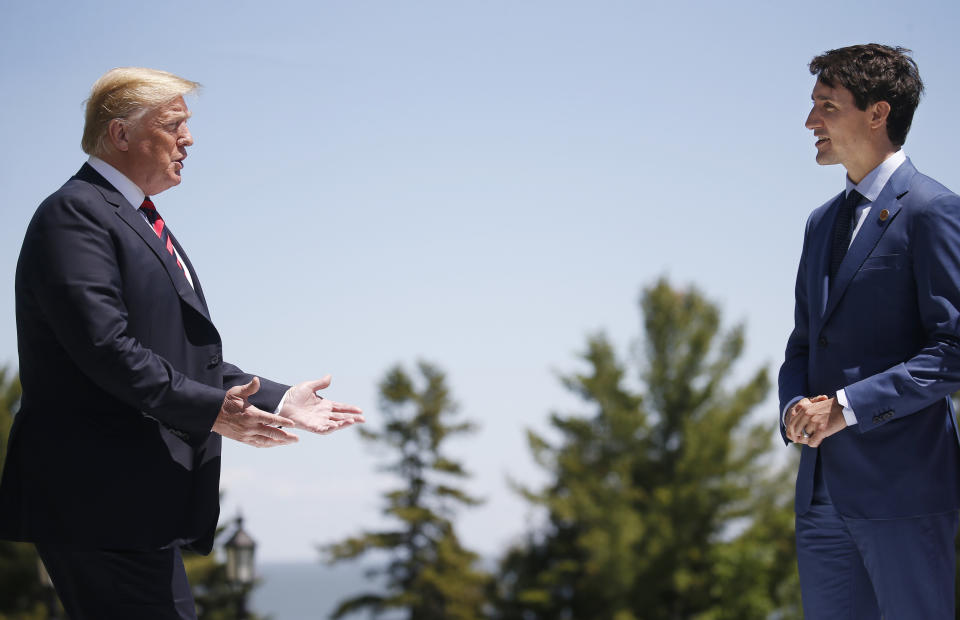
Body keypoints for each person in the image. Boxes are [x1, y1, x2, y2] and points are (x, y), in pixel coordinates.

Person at [0, 67, 365, 619]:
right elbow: (106, 349)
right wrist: (212, 413)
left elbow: (181, 358)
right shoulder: (74, 214)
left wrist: (278, 398)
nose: (189, 140)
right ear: (120, 134)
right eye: (175, 125)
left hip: (135, 507)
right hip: (98, 503)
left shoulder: (135, 220)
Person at [779, 44, 960, 618]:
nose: (811, 122)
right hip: (821, 497)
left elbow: (954, 351)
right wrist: (792, 407)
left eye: (826, 106)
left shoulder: (934, 211)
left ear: (877, 113)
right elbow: (804, 344)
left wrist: (848, 407)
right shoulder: (820, 222)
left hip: (903, 496)